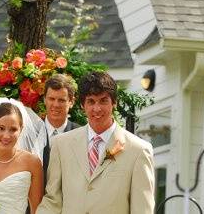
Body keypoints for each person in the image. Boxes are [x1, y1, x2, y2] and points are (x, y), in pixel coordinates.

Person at [37, 71, 155, 214]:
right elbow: (53, 201)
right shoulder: (61, 144)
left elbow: (142, 209)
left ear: (114, 103)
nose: (97, 108)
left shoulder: (139, 150)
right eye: (91, 101)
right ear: (82, 105)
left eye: (103, 101)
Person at [42, 74, 78, 183]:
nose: (56, 104)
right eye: (51, 99)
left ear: (71, 102)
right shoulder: (32, 133)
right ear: (44, 100)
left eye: (61, 100)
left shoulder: (81, 134)